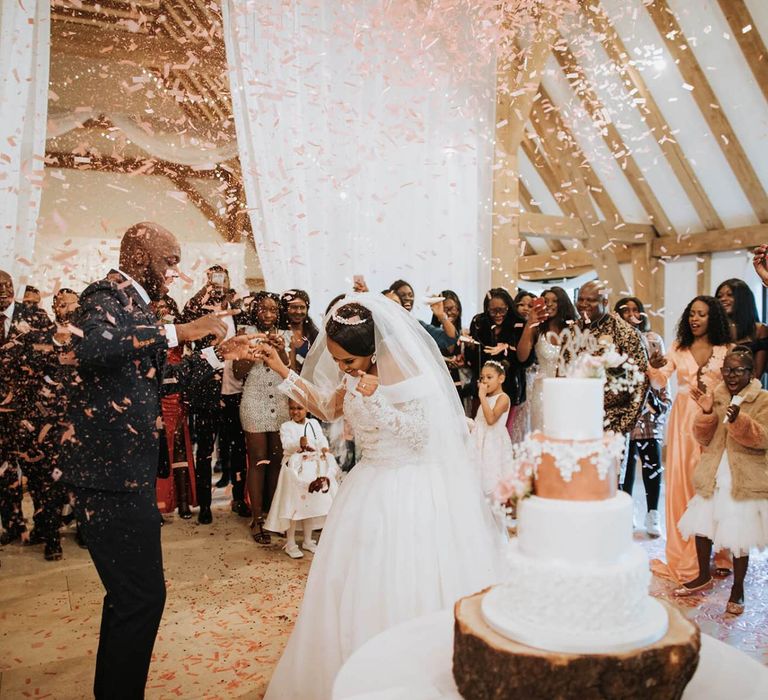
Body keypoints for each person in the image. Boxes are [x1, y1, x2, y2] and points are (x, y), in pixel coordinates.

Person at [257, 294, 501, 700]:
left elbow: (421, 434)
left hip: (409, 486)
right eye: (336, 361)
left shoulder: (403, 367)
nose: (342, 369)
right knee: (354, 583)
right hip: (368, 485)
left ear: (372, 349)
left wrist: (374, 399)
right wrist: (284, 370)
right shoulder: (351, 371)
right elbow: (328, 409)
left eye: (348, 362)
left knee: (406, 577)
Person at [57, 222, 257, 699]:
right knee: (141, 598)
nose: (174, 271)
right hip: (109, 475)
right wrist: (177, 329)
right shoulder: (103, 294)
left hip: (127, 473)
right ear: (140, 254)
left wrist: (212, 356)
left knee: (132, 598)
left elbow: (161, 382)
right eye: (170, 260)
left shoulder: (136, 309)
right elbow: (94, 346)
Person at [676, 346, 768, 615]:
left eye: (739, 370)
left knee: (740, 531)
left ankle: (737, 589)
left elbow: (763, 439)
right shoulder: (715, 395)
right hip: (714, 469)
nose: (731, 375)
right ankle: (703, 574)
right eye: (727, 369)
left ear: (751, 373)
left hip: (743, 474)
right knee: (702, 523)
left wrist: (739, 420)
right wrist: (706, 415)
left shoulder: (762, 398)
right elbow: (703, 438)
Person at [648, 295, 733, 584]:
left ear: (714, 319)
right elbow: (661, 380)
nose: (695, 319)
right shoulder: (677, 347)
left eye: (702, 314)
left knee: (716, 484)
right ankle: (687, 557)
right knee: (685, 484)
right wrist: (653, 365)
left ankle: (722, 554)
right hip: (684, 420)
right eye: (692, 314)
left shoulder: (725, 349)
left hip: (716, 419)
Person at [182, 265, 247, 524]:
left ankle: (239, 498)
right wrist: (204, 292)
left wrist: (233, 299)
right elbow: (184, 318)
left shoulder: (237, 309)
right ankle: (205, 505)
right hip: (206, 390)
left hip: (235, 389)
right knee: (205, 451)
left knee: (237, 448)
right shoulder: (198, 308)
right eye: (213, 278)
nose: (219, 283)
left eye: (223, 278)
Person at [0, 268, 53, 545]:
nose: (3, 291)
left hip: (30, 411)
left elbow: (51, 361)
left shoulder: (35, 316)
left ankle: (44, 529)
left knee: (37, 473)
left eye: (7, 285)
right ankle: (12, 525)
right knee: (4, 473)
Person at [235, 291, 292, 544]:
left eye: (273, 310)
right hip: (254, 401)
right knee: (258, 460)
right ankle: (257, 519)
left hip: (280, 401)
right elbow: (237, 372)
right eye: (263, 309)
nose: (268, 314)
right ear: (255, 311)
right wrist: (252, 352)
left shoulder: (286, 335)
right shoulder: (244, 333)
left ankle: (273, 516)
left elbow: (290, 371)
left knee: (278, 460)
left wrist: (281, 352)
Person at [559, 281, 649, 436]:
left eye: (590, 300)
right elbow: (562, 373)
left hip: (612, 421)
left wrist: (623, 426)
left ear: (605, 302)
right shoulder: (572, 332)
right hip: (576, 418)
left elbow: (641, 381)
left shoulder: (625, 333)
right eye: (580, 299)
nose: (583, 304)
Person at [614, 297, 671, 537]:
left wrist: (662, 402)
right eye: (625, 310)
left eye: (636, 309)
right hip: (623, 408)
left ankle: (653, 513)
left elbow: (661, 373)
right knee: (624, 466)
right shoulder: (613, 341)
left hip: (647, 407)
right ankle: (627, 513)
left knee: (652, 463)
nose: (631, 314)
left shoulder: (653, 339)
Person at [264, 399, 339, 558]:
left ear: (307, 409)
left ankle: (307, 540)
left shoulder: (313, 424)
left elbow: (320, 439)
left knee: (309, 505)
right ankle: (290, 542)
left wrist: (324, 448)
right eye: (292, 408)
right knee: (294, 506)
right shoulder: (286, 427)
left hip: (311, 469)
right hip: (294, 472)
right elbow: (287, 446)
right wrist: (299, 444)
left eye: (299, 408)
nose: (295, 412)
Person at [151, 295, 197, 520]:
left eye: (166, 307)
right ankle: (157, 503)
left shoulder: (180, 331)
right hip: (156, 394)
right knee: (157, 450)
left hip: (177, 391)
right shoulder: (148, 332)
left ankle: (183, 501)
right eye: (158, 307)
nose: (162, 310)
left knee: (179, 447)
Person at [467, 288, 530, 438]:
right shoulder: (479, 322)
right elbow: (473, 360)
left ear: (509, 306)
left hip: (509, 388)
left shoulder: (519, 324)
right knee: (479, 432)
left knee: (500, 434)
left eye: (502, 310)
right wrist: (470, 348)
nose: (498, 315)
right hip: (483, 387)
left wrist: (506, 349)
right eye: (493, 310)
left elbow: (525, 360)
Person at [517, 286, 577, 431]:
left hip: (569, 389)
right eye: (545, 301)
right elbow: (521, 356)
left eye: (554, 301)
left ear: (562, 303)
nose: (549, 304)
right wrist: (530, 323)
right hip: (543, 392)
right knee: (543, 432)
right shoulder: (537, 329)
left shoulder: (573, 329)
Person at [472, 360, 514, 496]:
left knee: (491, 477)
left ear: (501, 378)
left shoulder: (503, 398)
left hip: (493, 444)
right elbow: (480, 423)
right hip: (480, 443)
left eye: (489, 377)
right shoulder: (486, 398)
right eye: (482, 378)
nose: (485, 381)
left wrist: (482, 397)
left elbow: (491, 419)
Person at [715, 278, 768, 379]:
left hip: (749, 390)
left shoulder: (760, 330)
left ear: (743, 299)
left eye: (730, 295)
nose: (723, 299)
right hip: (717, 388)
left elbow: (757, 374)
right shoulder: (715, 330)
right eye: (719, 296)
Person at [430, 290, 472, 413]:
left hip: (462, 387)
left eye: (452, 308)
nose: (448, 312)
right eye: (444, 309)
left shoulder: (466, 334)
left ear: (458, 310)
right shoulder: (432, 334)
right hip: (439, 388)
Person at [388, 279, 458, 351]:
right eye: (402, 295)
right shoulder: (384, 322)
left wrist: (441, 315)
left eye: (410, 295)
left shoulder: (418, 326)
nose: (408, 298)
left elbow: (450, 338)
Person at [281, 289, 320, 371]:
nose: (298, 311)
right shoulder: (278, 333)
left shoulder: (313, 334)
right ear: (285, 309)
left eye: (302, 307)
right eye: (294, 307)